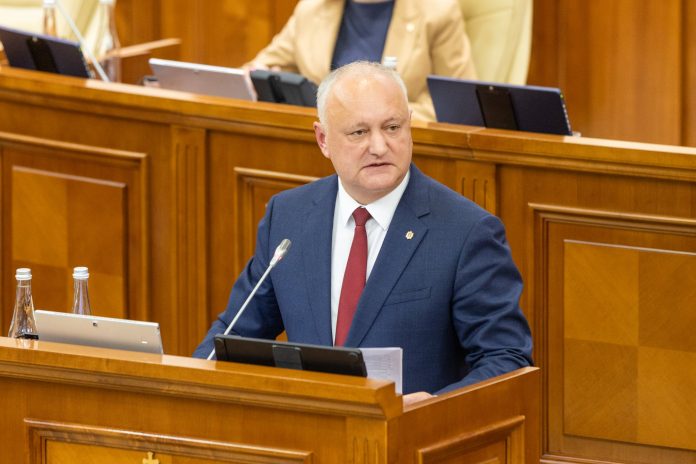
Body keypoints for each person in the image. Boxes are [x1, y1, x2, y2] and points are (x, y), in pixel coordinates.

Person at [194, 61, 532, 404]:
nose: (379, 146)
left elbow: (507, 359)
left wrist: (431, 408)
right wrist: (189, 384)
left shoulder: (466, 231)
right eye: (359, 132)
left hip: (410, 434)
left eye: (392, 127)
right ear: (323, 140)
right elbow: (235, 333)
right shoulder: (289, 217)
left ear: (409, 126)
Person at [246, 0, 477, 121]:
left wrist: (380, 118)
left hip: (402, 153)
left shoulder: (437, 11)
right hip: (317, 149)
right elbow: (255, 71)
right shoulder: (311, 9)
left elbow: (460, 103)